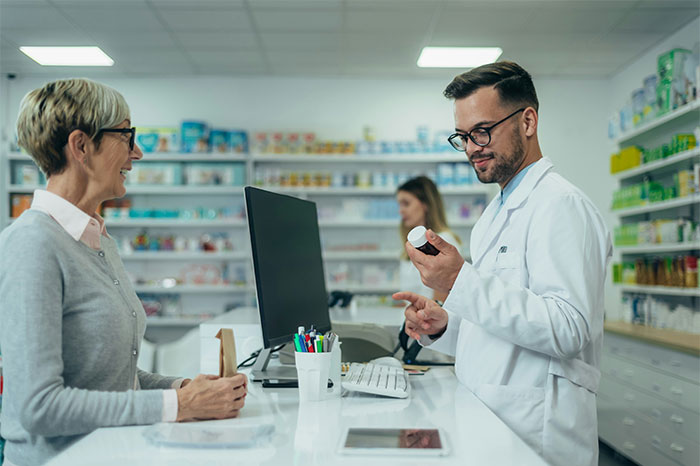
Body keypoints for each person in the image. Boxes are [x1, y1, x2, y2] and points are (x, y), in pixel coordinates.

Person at [0, 78, 248, 466]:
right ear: (81, 146)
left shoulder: (97, 238)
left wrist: (183, 387)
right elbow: (39, 406)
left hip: (115, 452)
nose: (138, 153)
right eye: (126, 136)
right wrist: (176, 404)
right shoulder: (32, 244)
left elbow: (110, 377)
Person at [393, 62, 612, 466]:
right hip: (488, 422)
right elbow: (498, 330)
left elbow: (569, 330)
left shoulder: (561, 206)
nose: (473, 147)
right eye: (463, 137)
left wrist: (461, 280)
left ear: (527, 121)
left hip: (538, 433)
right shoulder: (494, 215)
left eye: (482, 130)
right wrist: (444, 327)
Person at [396, 176, 460, 303]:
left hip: (428, 319)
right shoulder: (410, 243)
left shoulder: (443, 241)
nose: (401, 211)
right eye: (399, 204)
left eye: (406, 204)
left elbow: (440, 301)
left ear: (425, 204)